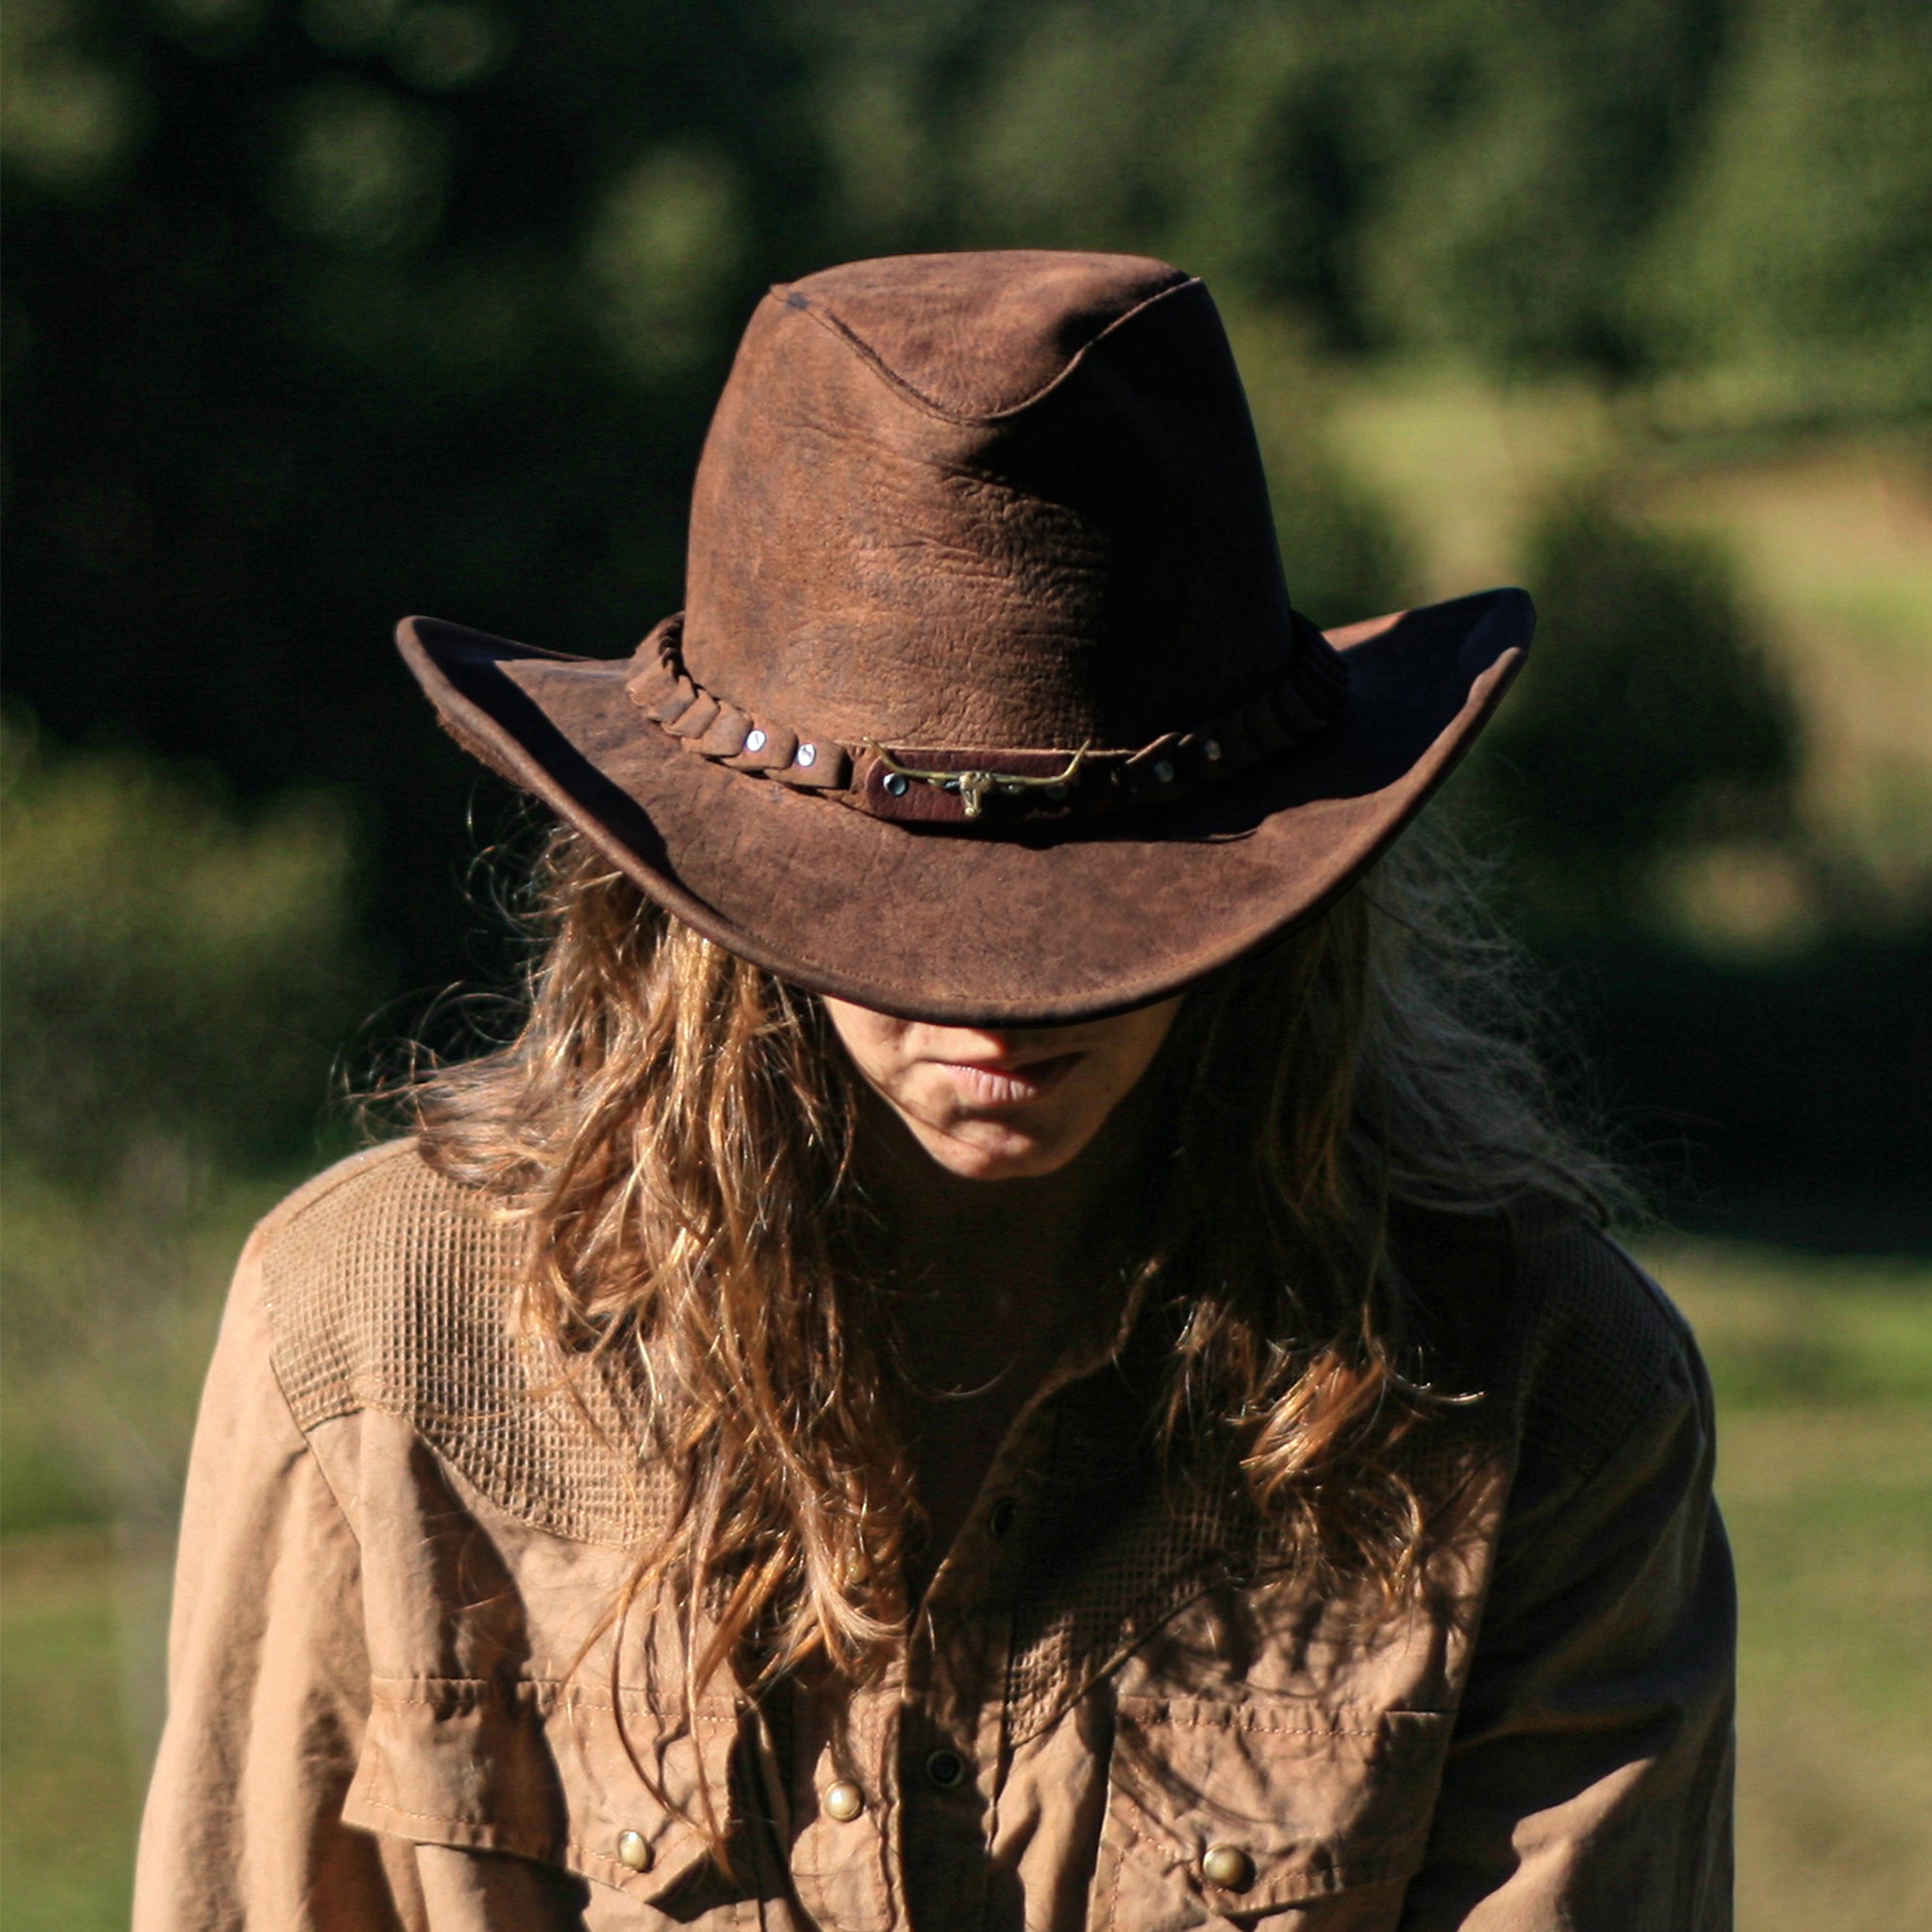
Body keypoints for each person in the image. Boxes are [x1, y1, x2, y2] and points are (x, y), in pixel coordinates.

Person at [134, 251, 1734, 1930]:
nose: (994, 1003)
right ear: (708, 906)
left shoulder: (1538, 1392)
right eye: (900, 913)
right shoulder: (374, 1344)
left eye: (1103, 912)